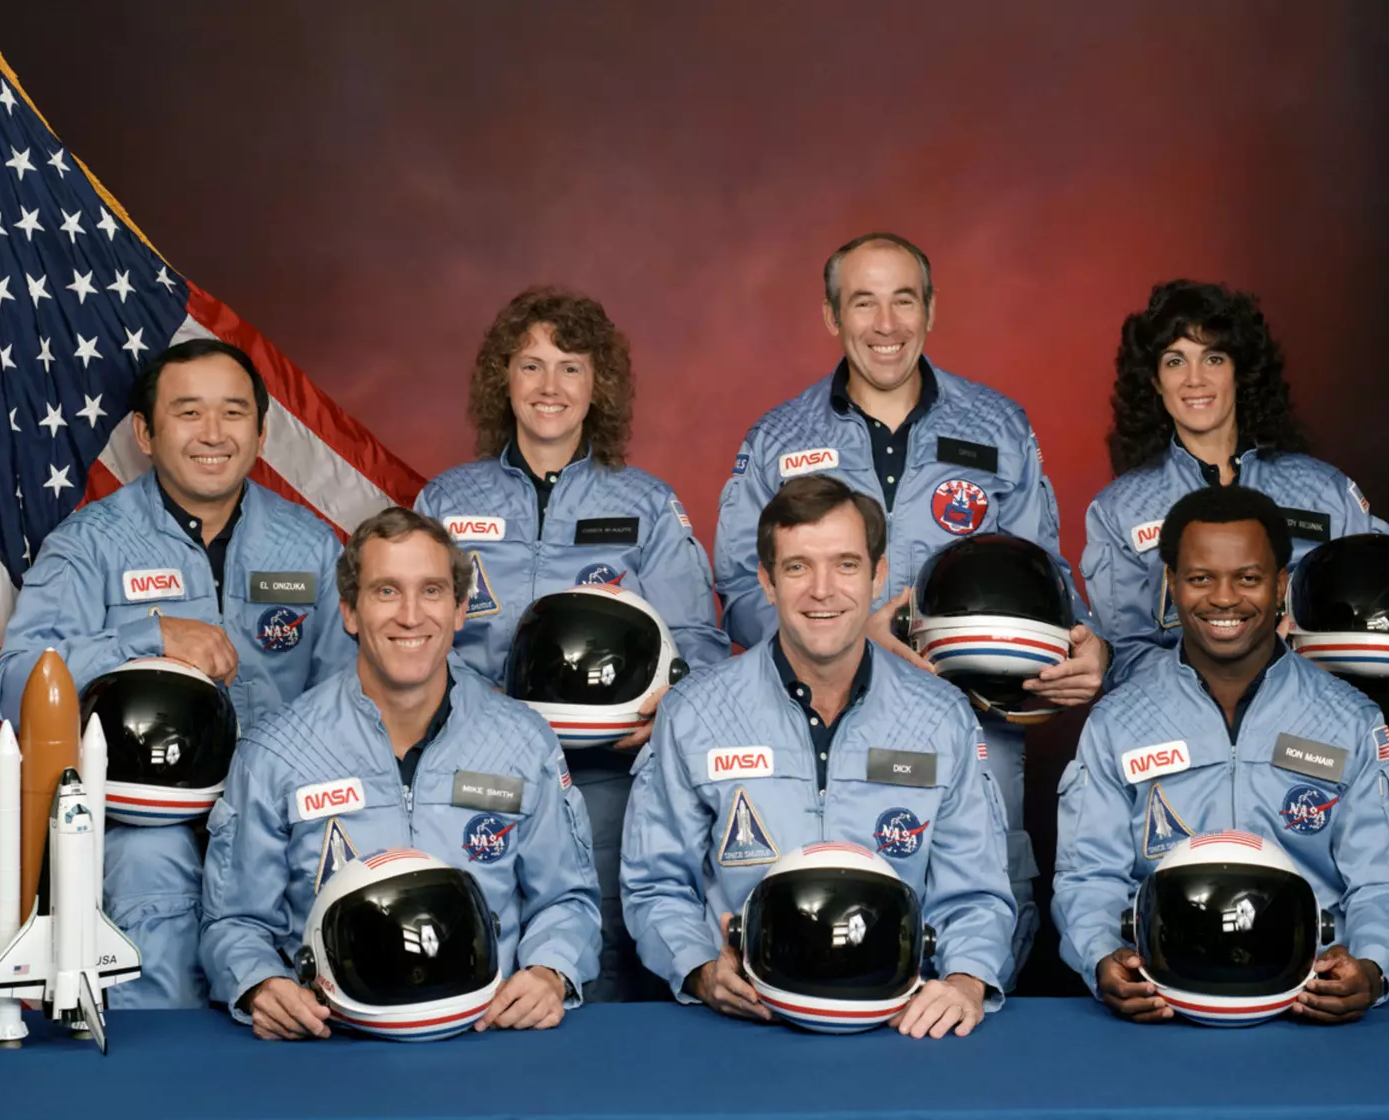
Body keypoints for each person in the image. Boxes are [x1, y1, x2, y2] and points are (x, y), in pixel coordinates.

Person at [712, 233, 1108, 956]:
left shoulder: (999, 426)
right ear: (833, 316)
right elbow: (741, 584)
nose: (886, 324)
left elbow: (1047, 574)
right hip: (818, 721)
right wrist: (853, 632)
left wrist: (1084, 645)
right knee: (837, 926)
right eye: (864, 301)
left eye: (904, 299)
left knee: (981, 925)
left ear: (931, 309)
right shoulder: (777, 437)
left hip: (974, 720)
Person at [0, 337, 350, 1006]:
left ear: (262, 431)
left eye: (233, 413)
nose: (212, 434)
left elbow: (350, 698)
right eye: (188, 412)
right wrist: (149, 634)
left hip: (276, 819)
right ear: (145, 434)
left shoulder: (308, 545)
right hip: (144, 824)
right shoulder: (90, 544)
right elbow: (19, 682)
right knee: (151, 895)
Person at [414, 288, 732, 1000]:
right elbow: (405, 635)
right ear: (503, 378)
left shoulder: (646, 504)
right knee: (474, 949)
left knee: (608, 953)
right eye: (530, 366)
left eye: (570, 367)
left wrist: (665, 713)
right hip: (474, 771)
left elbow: (699, 646)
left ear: (600, 385)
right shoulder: (446, 502)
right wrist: (476, 707)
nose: (549, 387)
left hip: (605, 778)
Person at [625, 476, 1015, 1037]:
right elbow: (654, 882)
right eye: (798, 567)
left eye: (846, 565)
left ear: (879, 576)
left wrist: (965, 981)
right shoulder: (696, 713)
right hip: (744, 1025)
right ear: (766, 580)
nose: (822, 591)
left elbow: (976, 892)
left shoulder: (941, 717)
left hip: (900, 1024)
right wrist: (700, 968)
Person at [200, 507, 601, 1039]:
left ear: (460, 609)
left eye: (431, 591)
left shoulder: (523, 742)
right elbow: (234, 922)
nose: (411, 616)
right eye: (386, 591)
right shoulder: (277, 751)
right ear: (348, 611)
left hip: (488, 1037)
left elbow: (568, 900)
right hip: (334, 1045)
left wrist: (552, 971)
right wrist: (258, 982)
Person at [1054, 485, 1389, 1024]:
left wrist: (1371, 964)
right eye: (1200, 577)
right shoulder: (1119, 721)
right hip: (1164, 1003)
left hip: (1307, 1001)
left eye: (1248, 578)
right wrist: (1099, 958)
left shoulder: (1348, 719)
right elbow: (1089, 876)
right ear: (1171, 584)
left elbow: (1385, 877)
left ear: (1281, 585)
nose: (1224, 598)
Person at [1082, 278, 1389, 689]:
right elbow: (1123, 656)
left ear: (1240, 370)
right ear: (1154, 381)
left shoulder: (1320, 490)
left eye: (1214, 359)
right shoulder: (1120, 510)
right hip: (1183, 734)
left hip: (1310, 722)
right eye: (1174, 361)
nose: (1195, 379)